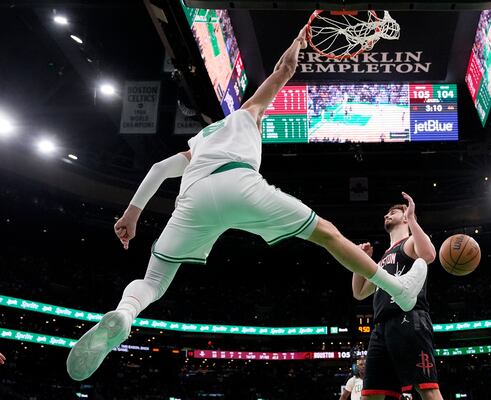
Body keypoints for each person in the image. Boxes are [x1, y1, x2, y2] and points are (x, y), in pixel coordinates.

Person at [66, 26, 427, 381]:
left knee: (155, 281)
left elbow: (160, 168)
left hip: (193, 200)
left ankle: (125, 314)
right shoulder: (248, 112)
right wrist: (298, 40)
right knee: (328, 234)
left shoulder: (203, 138)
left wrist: (132, 213)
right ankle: (399, 290)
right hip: (238, 183)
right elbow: (284, 70)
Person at [352, 193, 443, 400]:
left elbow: (429, 255)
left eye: (392, 212)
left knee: (427, 388)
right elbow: (359, 293)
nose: (386, 214)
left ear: (405, 218)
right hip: (381, 328)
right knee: (370, 395)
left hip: (409, 318)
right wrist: (361, 261)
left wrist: (412, 218)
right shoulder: (383, 258)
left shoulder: (410, 242)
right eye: (387, 212)